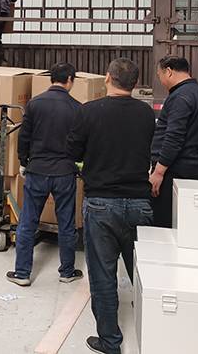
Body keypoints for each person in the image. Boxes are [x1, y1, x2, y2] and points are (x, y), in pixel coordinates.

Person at [67, 58, 155, 354]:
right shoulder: (146, 113)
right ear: (135, 84)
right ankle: (157, 332)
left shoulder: (89, 111)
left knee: (103, 275)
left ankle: (110, 341)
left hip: (101, 204)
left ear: (107, 78)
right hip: (139, 202)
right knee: (143, 272)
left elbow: (73, 151)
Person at [6, 63, 83, 287]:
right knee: (66, 223)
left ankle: (22, 273)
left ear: (52, 79)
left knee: (28, 222)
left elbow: (24, 137)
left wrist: (23, 162)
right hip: (65, 173)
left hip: (37, 171)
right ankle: (67, 271)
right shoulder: (77, 108)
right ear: (70, 80)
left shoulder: (34, 103)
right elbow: (80, 143)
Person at [149, 55, 198, 228]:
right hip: (191, 169)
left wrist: (159, 172)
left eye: (160, 75)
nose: (160, 81)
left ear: (169, 71)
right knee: (184, 224)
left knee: (164, 226)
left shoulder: (180, 97)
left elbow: (174, 137)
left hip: (173, 173)